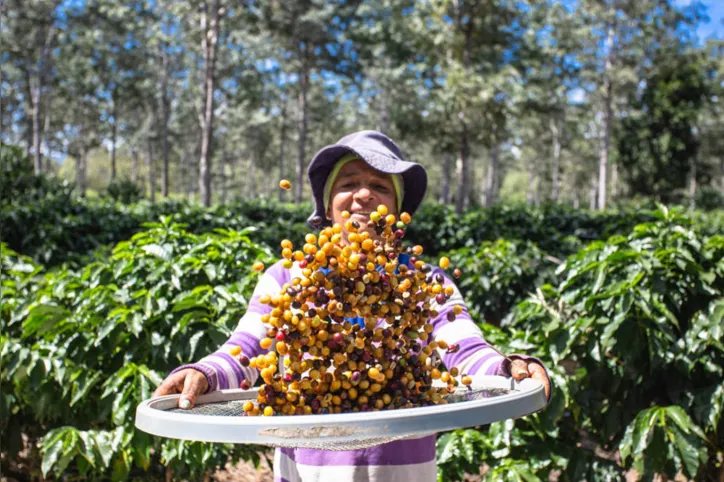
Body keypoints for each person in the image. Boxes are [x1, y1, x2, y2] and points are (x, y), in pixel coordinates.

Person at [154, 130, 551, 482]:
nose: (363, 195)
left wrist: (506, 368)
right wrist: (203, 373)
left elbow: (463, 348)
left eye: (380, 186)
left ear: (396, 210)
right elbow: (247, 347)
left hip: (403, 471)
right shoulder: (288, 275)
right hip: (308, 469)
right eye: (349, 183)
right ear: (328, 208)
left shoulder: (424, 281)